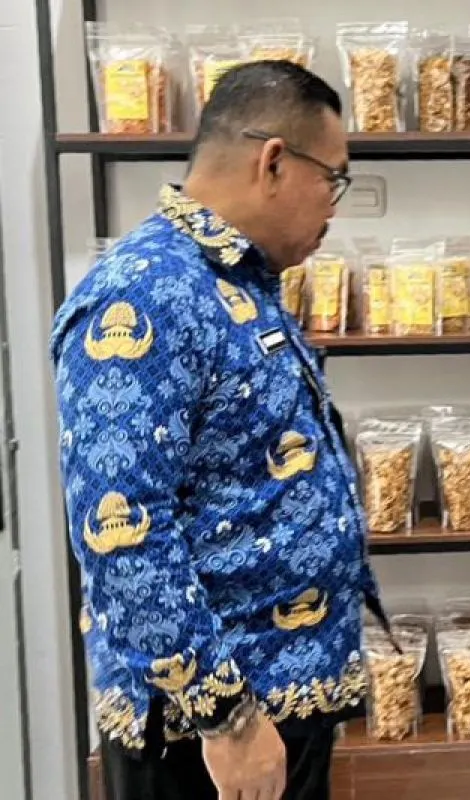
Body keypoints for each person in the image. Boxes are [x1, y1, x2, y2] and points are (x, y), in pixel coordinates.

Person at [50, 61, 378, 800]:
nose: (334, 206)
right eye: (333, 179)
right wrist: (227, 720)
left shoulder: (233, 280)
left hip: (278, 702)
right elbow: (121, 531)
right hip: (207, 733)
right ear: (274, 162)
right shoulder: (145, 294)